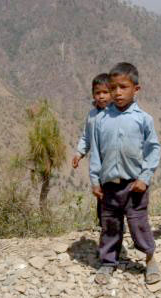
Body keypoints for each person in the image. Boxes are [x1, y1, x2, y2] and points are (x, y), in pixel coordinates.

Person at [90, 62, 161, 284]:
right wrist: (95, 180)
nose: (117, 93)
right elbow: (95, 152)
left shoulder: (143, 119)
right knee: (110, 224)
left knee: (138, 223)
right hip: (109, 184)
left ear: (136, 89)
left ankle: (149, 259)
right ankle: (108, 262)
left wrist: (145, 177)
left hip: (135, 185)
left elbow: (153, 149)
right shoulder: (100, 120)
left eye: (123, 87)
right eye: (113, 88)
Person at [72, 73, 112, 227]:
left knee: (116, 196)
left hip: (115, 164)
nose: (101, 96)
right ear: (93, 94)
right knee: (100, 195)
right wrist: (79, 153)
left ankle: (119, 227)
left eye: (105, 92)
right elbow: (86, 137)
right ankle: (103, 226)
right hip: (98, 165)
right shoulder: (92, 115)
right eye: (98, 93)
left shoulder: (117, 114)